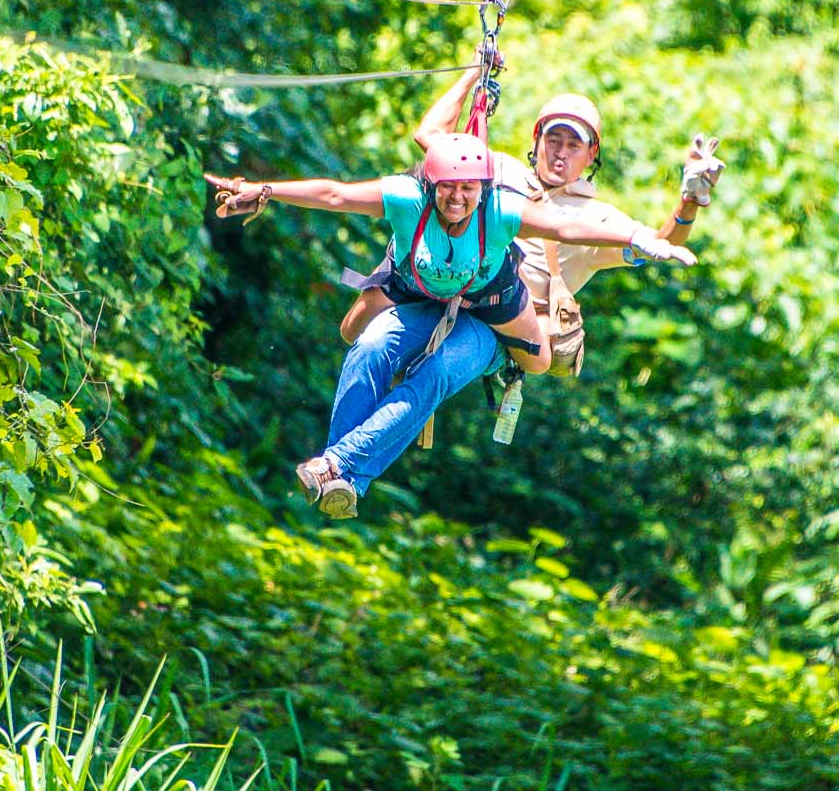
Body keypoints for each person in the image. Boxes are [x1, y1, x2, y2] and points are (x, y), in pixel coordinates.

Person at [204, 132, 696, 517]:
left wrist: (638, 234)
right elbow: (335, 195)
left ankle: (336, 463)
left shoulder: (500, 210)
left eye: (468, 188)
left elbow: (567, 227)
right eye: (448, 188)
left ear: (482, 189)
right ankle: (345, 481)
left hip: (490, 317)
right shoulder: (406, 198)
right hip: (429, 300)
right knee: (371, 344)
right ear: (430, 186)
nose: (458, 198)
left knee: (437, 373)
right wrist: (263, 190)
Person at [338, 62, 726, 420]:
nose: (560, 153)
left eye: (573, 145)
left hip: (500, 325)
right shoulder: (499, 170)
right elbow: (432, 137)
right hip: (443, 286)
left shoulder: (596, 217)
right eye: (553, 139)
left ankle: (352, 457)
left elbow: (659, 243)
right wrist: (473, 73)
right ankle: (344, 452)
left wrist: (689, 201)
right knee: (355, 332)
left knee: (433, 376)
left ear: (592, 154)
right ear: (536, 139)